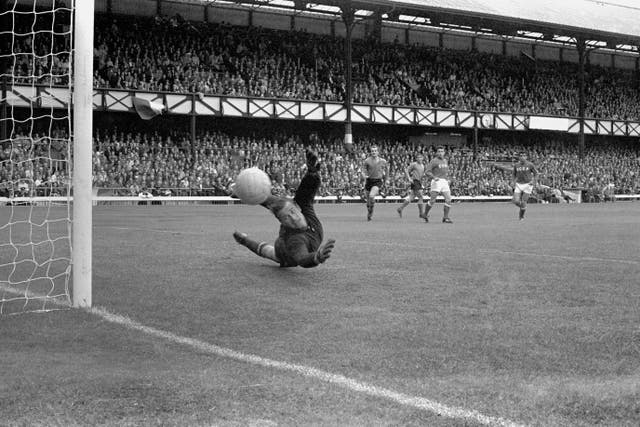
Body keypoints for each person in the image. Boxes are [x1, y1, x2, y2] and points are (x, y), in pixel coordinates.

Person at [233, 150, 336, 268]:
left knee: (276, 203)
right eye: (286, 218)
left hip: (293, 232)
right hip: (285, 253)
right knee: (272, 253)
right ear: (282, 222)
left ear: (298, 208)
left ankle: (243, 240)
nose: (293, 217)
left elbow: (306, 192)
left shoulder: (303, 208)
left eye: (292, 212)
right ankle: (244, 241)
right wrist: (316, 257)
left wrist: (312, 174)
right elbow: (302, 259)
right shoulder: (295, 241)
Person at [492, 152, 538, 219]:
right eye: (521, 156)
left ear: (526, 157)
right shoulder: (516, 165)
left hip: (528, 185)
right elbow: (513, 174)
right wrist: (513, 181)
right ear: (519, 157)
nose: (522, 157)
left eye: (524, 156)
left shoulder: (530, 165)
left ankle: (521, 216)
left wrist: (534, 181)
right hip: (519, 184)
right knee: (516, 201)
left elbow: (536, 173)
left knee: (523, 201)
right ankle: (523, 208)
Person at [422, 146, 453, 223]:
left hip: (444, 182)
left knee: (448, 199)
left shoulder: (445, 161)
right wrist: (434, 177)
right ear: (436, 153)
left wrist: (447, 179)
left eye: (442, 151)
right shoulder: (433, 161)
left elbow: (445, 172)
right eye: (439, 151)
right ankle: (425, 214)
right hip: (436, 181)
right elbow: (427, 171)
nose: (440, 153)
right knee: (432, 200)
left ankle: (445, 218)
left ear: (444, 152)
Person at [362, 145, 388, 221]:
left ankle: (371, 211)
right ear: (371, 152)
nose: (374, 152)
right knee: (368, 202)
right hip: (369, 180)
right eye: (372, 151)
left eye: (375, 151)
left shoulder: (383, 161)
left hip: (377, 181)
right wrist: (364, 175)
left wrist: (386, 180)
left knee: (371, 196)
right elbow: (363, 170)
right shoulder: (367, 161)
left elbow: (387, 170)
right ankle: (369, 212)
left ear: (378, 152)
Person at [397, 153, 426, 219]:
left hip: (418, 182)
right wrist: (409, 178)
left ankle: (400, 208)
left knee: (411, 197)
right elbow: (406, 170)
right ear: (416, 158)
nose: (419, 158)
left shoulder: (423, 166)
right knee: (420, 197)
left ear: (423, 158)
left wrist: (422, 183)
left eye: (420, 157)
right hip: (415, 181)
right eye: (418, 157)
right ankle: (421, 214)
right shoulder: (414, 164)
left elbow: (421, 175)